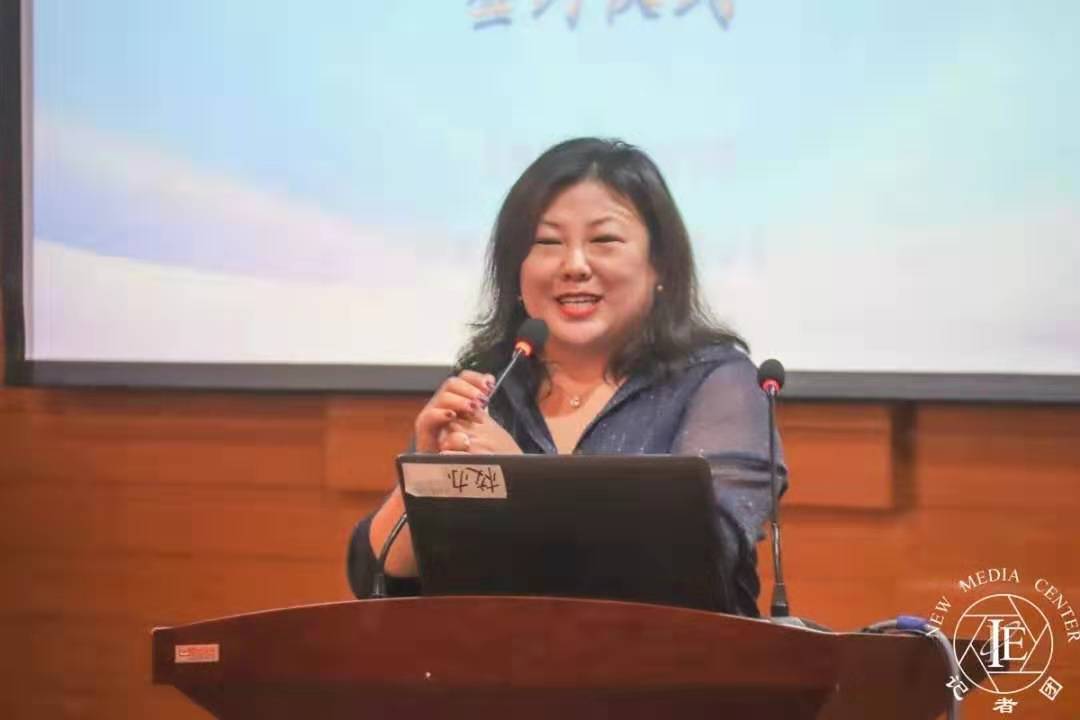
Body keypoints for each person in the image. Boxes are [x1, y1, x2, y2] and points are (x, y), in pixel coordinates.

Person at [347, 137, 785, 617]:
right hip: (502, 658)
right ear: (515, 270)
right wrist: (423, 482)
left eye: (604, 241)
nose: (574, 266)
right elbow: (376, 576)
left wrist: (522, 485)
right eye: (547, 243)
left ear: (660, 264)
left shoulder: (717, 385)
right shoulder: (495, 384)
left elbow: (702, 556)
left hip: (679, 660)